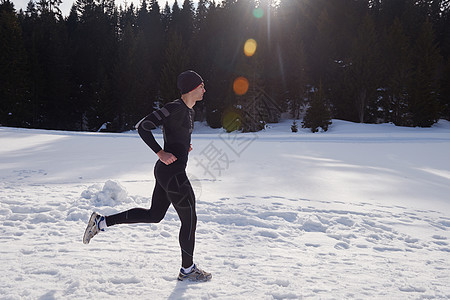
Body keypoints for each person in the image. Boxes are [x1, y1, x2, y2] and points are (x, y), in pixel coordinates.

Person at [83, 70, 211, 282]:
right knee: (190, 220)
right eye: (201, 86)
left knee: (154, 215)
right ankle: (187, 270)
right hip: (172, 173)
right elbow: (143, 127)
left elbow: (175, 137)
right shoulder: (173, 107)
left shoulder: (190, 112)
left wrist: (182, 148)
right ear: (191, 88)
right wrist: (160, 152)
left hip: (170, 172)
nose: (204, 90)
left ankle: (101, 222)